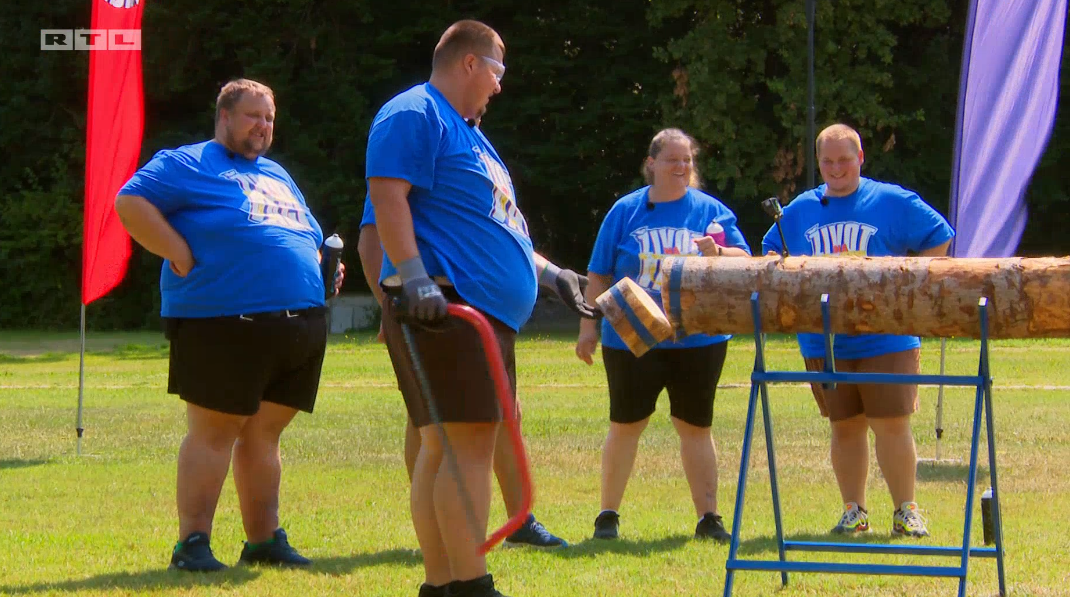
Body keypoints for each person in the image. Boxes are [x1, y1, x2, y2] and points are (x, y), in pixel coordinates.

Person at [365, 20, 595, 597]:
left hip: (474, 311)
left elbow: (498, 228)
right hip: (447, 306)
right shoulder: (414, 113)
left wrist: (552, 274)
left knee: (447, 444)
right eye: (497, 71)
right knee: (463, 443)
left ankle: (443, 585)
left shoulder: (471, 135)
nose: (499, 86)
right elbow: (385, 197)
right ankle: (468, 584)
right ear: (469, 63)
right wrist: (413, 278)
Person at [114, 78, 343, 572]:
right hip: (220, 320)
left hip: (296, 325)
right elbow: (130, 202)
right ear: (224, 116)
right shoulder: (187, 162)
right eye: (252, 116)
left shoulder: (278, 174)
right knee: (213, 433)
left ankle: (263, 540)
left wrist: (322, 263)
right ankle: (192, 543)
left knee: (264, 436)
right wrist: (178, 252)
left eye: (269, 119)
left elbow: (308, 231)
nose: (262, 126)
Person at [761, 123, 954, 538]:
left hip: (887, 336)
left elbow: (940, 236)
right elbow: (771, 257)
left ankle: (906, 511)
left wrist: (914, 288)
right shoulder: (799, 210)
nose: (836, 169)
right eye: (827, 161)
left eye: (844, 160)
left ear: (860, 158)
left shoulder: (890, 200)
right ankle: (854, 511)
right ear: (818, 163)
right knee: (844, 425)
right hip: (823, 338)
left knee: (891, 423)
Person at [357, 191, 569, 550]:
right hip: (440, 310)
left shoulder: (476, 153)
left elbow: (502, 236)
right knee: (433, 424)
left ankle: (519, 521)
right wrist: (391, 304)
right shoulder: (418, 143)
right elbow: (372, 240)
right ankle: (442, 542)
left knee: (503, 412)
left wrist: (555, 275)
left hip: (490, 314)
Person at [576, 128, 751, 543]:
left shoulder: (710, 211)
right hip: (631, 335)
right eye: (671, 159)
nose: (681, 167)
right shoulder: (625, 211)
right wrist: (588, 325)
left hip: (698, 338)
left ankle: (709, 517)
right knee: (626, 423)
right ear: (650, 163)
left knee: (695, 426)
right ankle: (607, 516)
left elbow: (745, 260)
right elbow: (599, 272)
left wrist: (721, 253)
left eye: (687, 160)